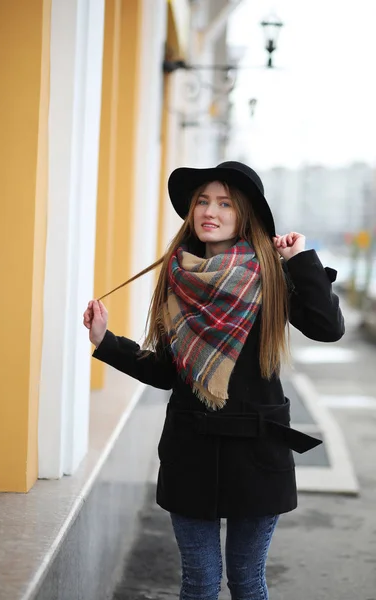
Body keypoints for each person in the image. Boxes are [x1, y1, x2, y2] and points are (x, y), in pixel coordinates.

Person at [83, 161, 344, 600]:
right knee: (199, 583)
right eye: (203, 201)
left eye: (225, 203)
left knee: (246, 581)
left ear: (245, 215)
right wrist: (105, 341)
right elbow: (166, 372)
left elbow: (328, 326)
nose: (210, 211)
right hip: (192, 453)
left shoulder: (272, 277)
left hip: (258, 454)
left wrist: (299, 260)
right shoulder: (177, 277)